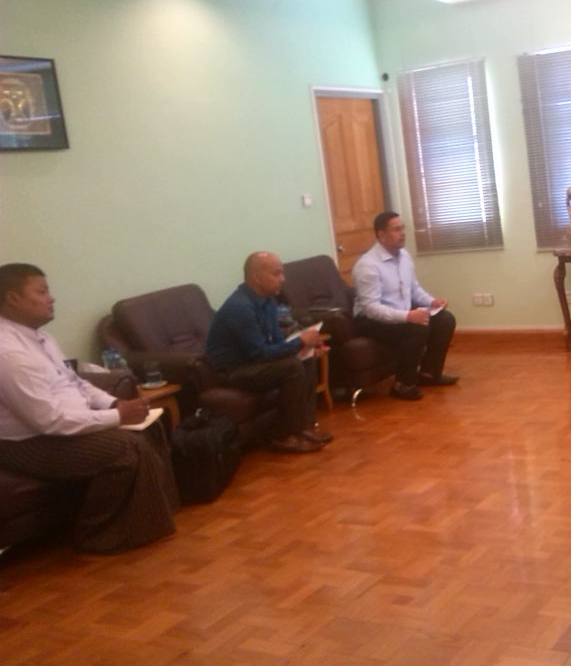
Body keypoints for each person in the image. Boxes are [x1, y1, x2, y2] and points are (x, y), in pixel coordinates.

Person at [0, 264, 179, 553]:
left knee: (150, 427)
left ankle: (156, 517)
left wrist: (113, 403)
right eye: (42, 292)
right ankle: (96, 534)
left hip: (60, 427)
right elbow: (49, 422)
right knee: (126, 447)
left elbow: (75, 381)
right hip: (29, 443)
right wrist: (117, 417)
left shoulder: (41, 337)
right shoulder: (9, 354)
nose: (51, 298)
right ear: (13, 299)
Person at [206, 252, 332, 454]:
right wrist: (301, 341)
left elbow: (278, 342)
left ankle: (303, 427)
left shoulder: (267, 301)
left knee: (304, 359)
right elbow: (260, 353)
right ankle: (284, 436)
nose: (282, 279)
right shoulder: (240, 307)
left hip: (252, 362)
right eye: (276, 273)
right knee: (291, 366)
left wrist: (305, 349)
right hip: (231, 371)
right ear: (256, 277)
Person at [352, 212, 458, 401]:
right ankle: (402, 384)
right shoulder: (367, 266)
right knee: (416, 328)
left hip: (401, 312)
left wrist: (431, 302)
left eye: (402, 228)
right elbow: (372, 309)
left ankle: (428, 374)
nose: (402, 233)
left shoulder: (404, 256)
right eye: (396, 229)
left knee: (445, 319)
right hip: (370, 320)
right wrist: (407, 316)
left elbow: (413, 288)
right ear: (381, 235)